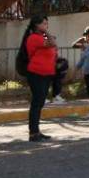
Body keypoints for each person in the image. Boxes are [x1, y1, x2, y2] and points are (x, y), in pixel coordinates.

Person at [22, 14, 57, 142]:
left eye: (47, 24)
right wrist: (46, 32)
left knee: (40, 102)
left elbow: (53, 46)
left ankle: (36, 131)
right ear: (36, 25)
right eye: (43, 23)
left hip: (46, 74)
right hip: (37, 74)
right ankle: (33, 133)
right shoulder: (34, 38)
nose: (46, 25)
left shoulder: (41, 37)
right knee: (37, 103)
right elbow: (52, 42)